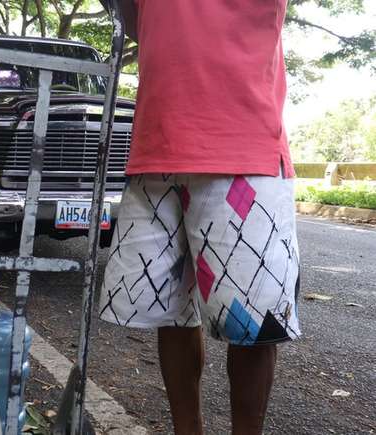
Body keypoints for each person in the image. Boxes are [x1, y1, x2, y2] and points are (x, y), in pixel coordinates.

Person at [99, 1, 301, 434]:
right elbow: (138, 23)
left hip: (243, 151)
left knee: (253, 326)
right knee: (171, 313)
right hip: (157, 150)